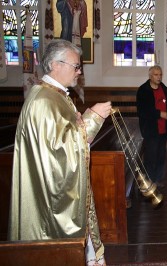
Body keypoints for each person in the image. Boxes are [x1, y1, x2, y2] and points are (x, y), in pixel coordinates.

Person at [8, 39, 111, 266]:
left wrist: (85, 119)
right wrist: (93, 117)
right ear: (56, 65)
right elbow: (60, 151)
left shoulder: (55, 95)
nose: (79, 71)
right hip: (50, 197)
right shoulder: (43, 101)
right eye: (75, 66)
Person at [137, 65, 167, 188]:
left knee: (161, 156)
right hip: (151, 129)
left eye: (160, 75)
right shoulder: (143, 90)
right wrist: (159, 114)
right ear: (150, 76)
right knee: (151, 156)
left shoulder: (163, 88)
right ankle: (149, 181)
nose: (159, 77)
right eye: (156, 74)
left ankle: (158, 179)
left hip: (163, 128)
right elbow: (142, 111)